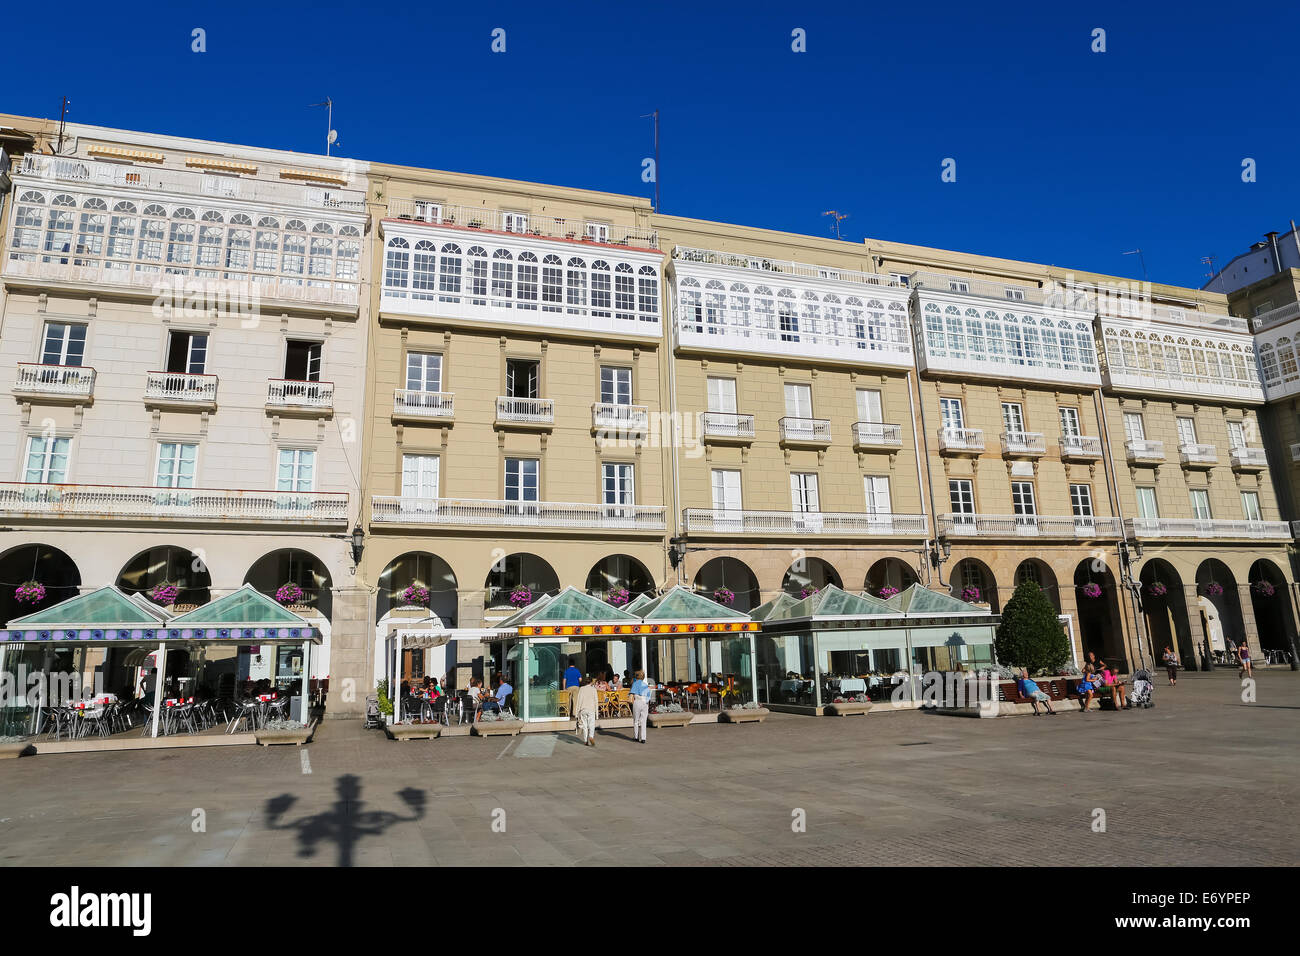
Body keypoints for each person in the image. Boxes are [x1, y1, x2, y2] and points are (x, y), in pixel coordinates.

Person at [574, 676, 598, 747]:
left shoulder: (581, 689)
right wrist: (597, 714)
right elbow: (596, 701)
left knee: (584, 725)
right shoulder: (594, 689)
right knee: (592, 725)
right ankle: (591, 736)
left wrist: (576, 712)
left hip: (583, 709)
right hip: (591, 709)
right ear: (591, 682)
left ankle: (585, 740)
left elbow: (579, 700)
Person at [630, 669, 652, 741]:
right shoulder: (645, 685)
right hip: (645, 702)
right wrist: (645, 701)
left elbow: (632, 694)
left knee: (636, 721)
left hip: (637, 701)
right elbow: (649, 696)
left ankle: (636, 737)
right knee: (643, 721)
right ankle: (643, 738)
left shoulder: (635, 684)